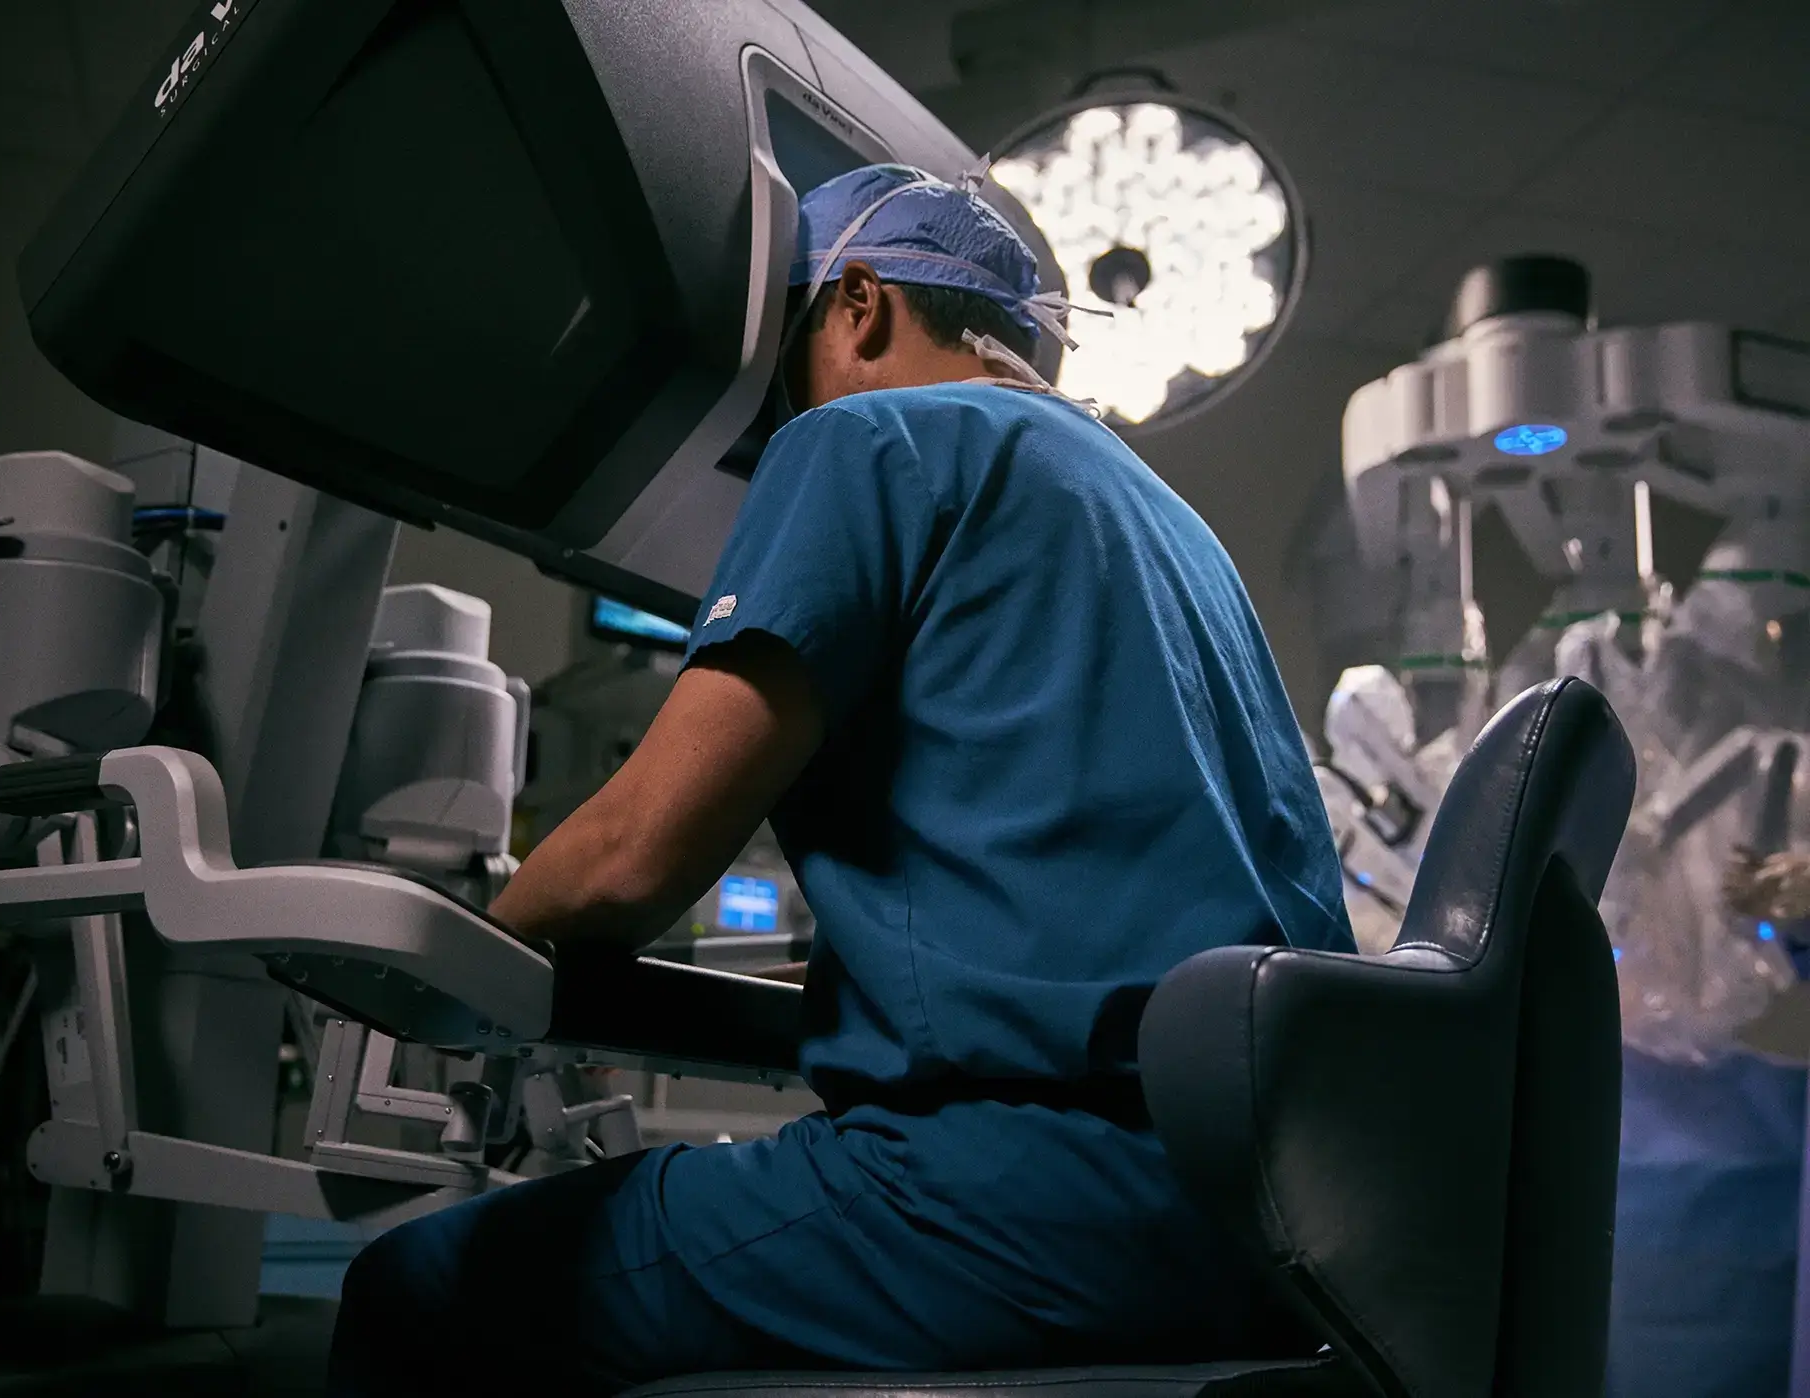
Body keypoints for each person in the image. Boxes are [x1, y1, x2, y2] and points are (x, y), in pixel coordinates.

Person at [327, 163, 1352, 1396]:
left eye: (784, 368)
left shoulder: (867, 439)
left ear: (856, 303)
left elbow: (629, 857)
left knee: (412, 1294)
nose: (776, 422)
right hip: (1278, 1226)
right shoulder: (1171, 524)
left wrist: (456, 957)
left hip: (1016, 1203)